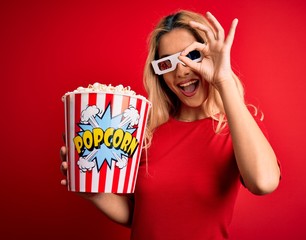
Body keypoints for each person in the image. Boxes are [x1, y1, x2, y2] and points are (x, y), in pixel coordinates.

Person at [60, 10, 281, 239]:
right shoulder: (144, 131)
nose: (181, 71)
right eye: (167, 63)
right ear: (159, 73)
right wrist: (96, 195)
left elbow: (263, 183)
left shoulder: (237, 127)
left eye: (192, 55)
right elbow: (142, 214)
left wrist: (223, 80)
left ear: (211, 55)